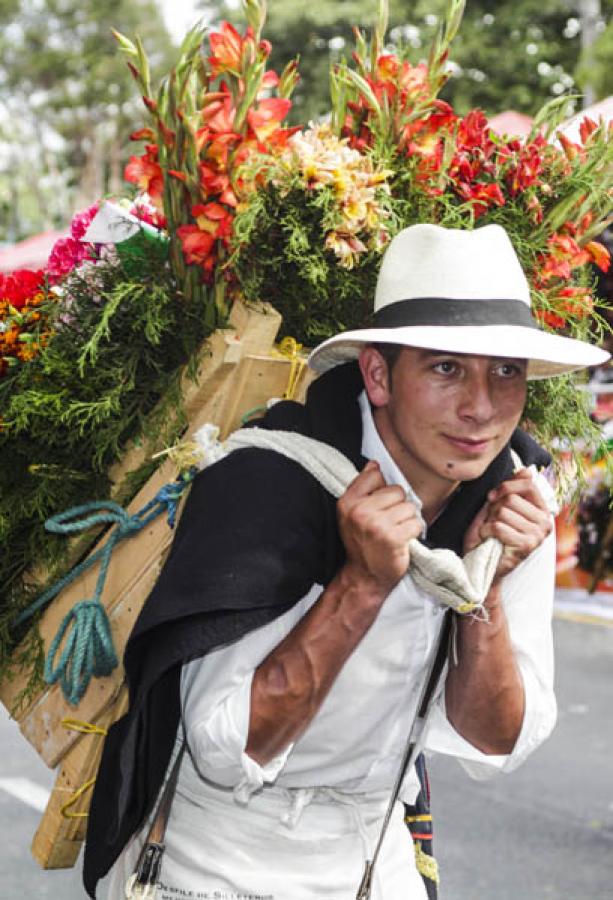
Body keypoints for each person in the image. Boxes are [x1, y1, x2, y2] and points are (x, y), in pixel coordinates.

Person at [84, 224, 608, 900]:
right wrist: (359, 584)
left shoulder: (512, 498)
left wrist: (488, 588)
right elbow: (224, 750)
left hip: (372, 854)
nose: (480, 408)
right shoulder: (267, 482)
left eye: (504, 372)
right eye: (445, 368)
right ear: (378, 375)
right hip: (213, 860)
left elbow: (494, 740)